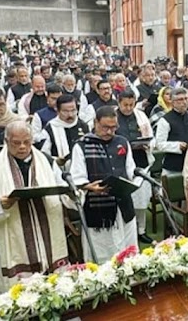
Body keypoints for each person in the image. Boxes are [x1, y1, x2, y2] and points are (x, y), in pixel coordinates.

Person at [0, 121, 69, 293]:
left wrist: (68, 193)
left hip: (49, 238)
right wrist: (0, 205)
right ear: (6, 141)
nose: (23, 147)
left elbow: (63, 190)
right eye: (16, 143)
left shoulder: (47, 162)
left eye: (27, 142)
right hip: (11, 238)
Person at [70, 106, 138, 263]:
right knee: (102, 254)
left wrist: (132, 183)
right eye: (105, 127)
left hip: (123, 205)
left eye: (114, 127)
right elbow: (77, 178)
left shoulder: (122, 142)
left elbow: (131, 170)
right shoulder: (81, 145)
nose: (110, 131)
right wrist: (89, 187)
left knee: (128, 253)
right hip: (98, 208)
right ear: (95, 123)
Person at [115, 91, 154, 244]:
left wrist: (148, 143)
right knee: (126, 199)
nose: (129, 108)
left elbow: (151, 135)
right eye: (125, 105)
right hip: (120, 162)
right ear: (119, 102)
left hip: (141, 160)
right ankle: (126, 232)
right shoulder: (113, 117)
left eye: (131, 105)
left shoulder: (141, 116)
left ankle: (141, 230)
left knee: (142, 199)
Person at [155, 88, 188, 174]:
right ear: (173, 102)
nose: (184, 102)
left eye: (186, 98)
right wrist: (177, 146)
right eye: (180, 99)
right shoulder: (165, 120)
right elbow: (159, 144)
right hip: (172, 166)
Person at [42, 94, 88, 166]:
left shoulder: (83, 126)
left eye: (73, 110)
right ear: (57, 110)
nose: (70, 115)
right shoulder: (50, 128)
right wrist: (56, 160)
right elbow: (43, 155)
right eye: (65, 111)